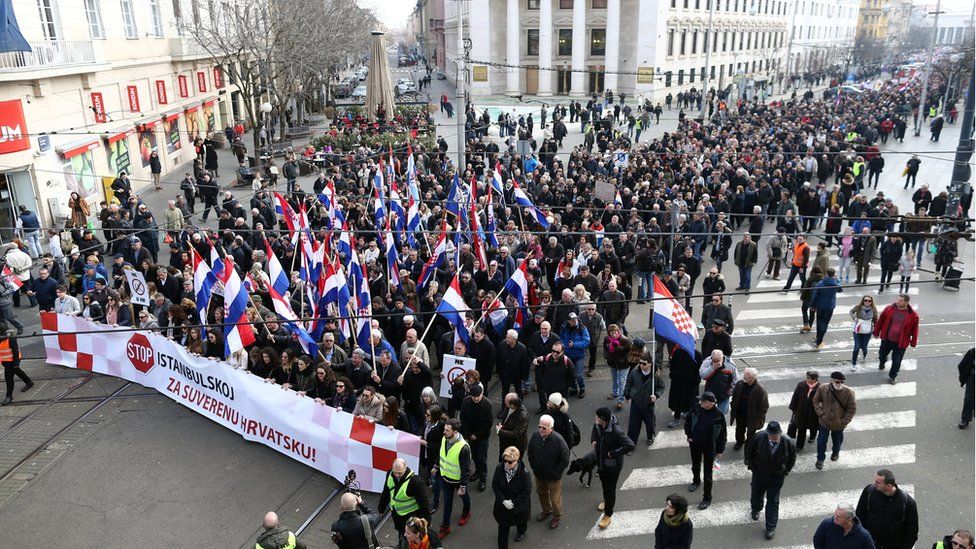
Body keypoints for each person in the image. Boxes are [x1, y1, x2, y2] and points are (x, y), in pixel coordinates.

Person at [744, 421, 796, 540]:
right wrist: (752, 467)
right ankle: (756, 508)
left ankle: (770, 527)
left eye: (775, 436)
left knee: (773, 501)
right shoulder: (759, 438)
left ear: (779, 434)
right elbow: (749, 452)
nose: (773, 438)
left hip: (776, 476)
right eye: (771, 435)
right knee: (757, 493)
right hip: (760, 474)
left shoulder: (787, 442)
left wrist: (785, 471)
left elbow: (792, 458)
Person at [592, 406, 635, 529]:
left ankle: (608, 515)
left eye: (597, 416)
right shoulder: (598, 424)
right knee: (605, 486)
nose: (595, 418)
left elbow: (630, 445)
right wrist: (594, 439)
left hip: (612, 467)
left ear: (603, 419)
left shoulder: (616, 431)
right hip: (601, 463)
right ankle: (606, 501)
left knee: (610, 489)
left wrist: (613, 453)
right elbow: (594, 430)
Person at [855, 469, 919, 549]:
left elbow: (912, 532)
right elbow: (860, 514)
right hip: (871, 543)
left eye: (878, 483)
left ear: (889, 486)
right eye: (875, 481)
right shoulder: (869, 491)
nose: (874, 484)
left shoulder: (907, 502)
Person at [526, 414, 569, 530]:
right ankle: (546, 510)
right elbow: (529, 452)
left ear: (551, 428)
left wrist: (555, 474)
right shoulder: (535, 436)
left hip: (553, 478)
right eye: (539, 426)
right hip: (539, 474)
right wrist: (533, 466)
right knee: (541, 494)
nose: (541, 430)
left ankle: (556, 516)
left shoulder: (559, 441)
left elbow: (565, 460)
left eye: (544, 428)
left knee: (555, 499)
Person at [684, 391, 726, 510]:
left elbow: (723, 434)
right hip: (695, 444)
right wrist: (689, 435)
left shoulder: (719, 416)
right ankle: (696, 481)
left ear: (710, 403)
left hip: (709, 447)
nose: (700, 402)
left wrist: (720, 450)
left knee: (708, 474)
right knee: (695, 465)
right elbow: (688, 422)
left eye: (703, 401)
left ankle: (707, 498)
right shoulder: (696, 408)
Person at [432, 418, 472, 538]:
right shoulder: (445, 438)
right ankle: (445, 526)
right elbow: (441, 454)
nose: (444, 432)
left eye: (447, 430)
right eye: (445, 429)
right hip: (445, 478)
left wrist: (463, 486)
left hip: (458, 481)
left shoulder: (463, 447)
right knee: (447, 503)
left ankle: (466, 513)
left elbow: (465, 470)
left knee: (464, 497)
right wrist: (436, 465)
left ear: (455, 432)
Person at [378, 458, 432, 546]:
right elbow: (386, 492)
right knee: (402, 536)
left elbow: (424, 504)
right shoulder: (390, 474)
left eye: (399, 473)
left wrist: (426, 524)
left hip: (411, 518)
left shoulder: (415, 482)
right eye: (395, 472)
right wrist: (381, 508)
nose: (396, 475)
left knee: (410, 540)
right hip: (397, 517)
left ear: (405, 468)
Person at [813, 371, 857, 470]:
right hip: (824, 422)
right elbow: (816, 401)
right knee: (821, 442)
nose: (840, 384)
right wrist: (821, 415)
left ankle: (835, 453)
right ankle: (820, 459)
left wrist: (844, 421)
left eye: (842, 382)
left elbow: (852, 409)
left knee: (837, 441)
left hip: (839, 424)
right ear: (831, 381)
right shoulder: (823, 388)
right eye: (837, 382)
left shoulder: (849, 393)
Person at [873, 294, 919, 384]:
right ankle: (882, 361)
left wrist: (913, 342)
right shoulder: (889, 309)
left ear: (906, 302)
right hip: (887, 339)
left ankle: (892, 376)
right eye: (897, 300)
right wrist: (876, 332)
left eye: (900, 300)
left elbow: (915, 329)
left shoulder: (913, 315)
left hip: (901, 343)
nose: (897, 301)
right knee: (882, 355)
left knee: (897, 361)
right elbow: (881, 320)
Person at [623, 351, 666, 448]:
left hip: (648, 404)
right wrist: (627, 395)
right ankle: (631, 443)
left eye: (644, 363)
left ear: (650, 364)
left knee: (650, 424)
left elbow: (662, 387)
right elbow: (629, 383)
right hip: (636, 403)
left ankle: (650, 437)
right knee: (633, 425)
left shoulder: (656, 375)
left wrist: (656, 395)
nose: (641, 365)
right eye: (640, 363)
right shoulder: (634, 372)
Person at [492, 446, 532, 549]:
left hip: (518, 506)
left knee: (521, 521)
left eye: (510, 462)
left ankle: (521, 532)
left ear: (516, 461)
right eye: (504, 461)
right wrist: (503, 500)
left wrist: (513, 502)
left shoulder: (524, 474)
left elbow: (526, 492)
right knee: (503, 529)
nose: (506, 464)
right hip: (503, 506)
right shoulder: (499, 468)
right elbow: (495, 485)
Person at [459, 383, 493, 492]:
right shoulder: (466, 402)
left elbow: (488, 423)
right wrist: (469, 434)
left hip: (482, 436)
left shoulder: (488, 405)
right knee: (474, 455)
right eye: (474, 396)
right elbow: (463, 418)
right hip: (470, 434)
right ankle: (478, 472)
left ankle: (483, 479)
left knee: (482, 457)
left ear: (482, 394)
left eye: (478, 396)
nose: (476, 398)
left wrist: (476, 435)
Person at [730, 367, 770, 451]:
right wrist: (733, 405)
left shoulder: (760, 390)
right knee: (739, 429)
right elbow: (735, 397)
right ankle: (740, 442)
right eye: (744, 375)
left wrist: (757, 416)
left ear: (753, 378)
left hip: (752, 417)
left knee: (751, 433)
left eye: (746, 376)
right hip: (740, 414)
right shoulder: (739, 384)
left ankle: (749, 445)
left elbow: (764, 406)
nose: (743, 378)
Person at [0, 321, 32, 405]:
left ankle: (9, 396)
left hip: (13, 360)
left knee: (8, 377)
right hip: (5, 361)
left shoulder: (11, 339)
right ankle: (29, 382)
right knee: (17, 371)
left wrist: (16, 364)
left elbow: (15, 352)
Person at [559, 312, 591, 398]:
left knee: (578, 374)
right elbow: (561, 338)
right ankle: (573, 388)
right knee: (570, 373)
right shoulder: (564, 327)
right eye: (573, 320)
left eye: (575, 319)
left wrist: (574, 345)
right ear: (568, 321)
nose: (575, 321)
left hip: (579, 355)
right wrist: (565, 347)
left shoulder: (582, 328)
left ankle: (582, 388)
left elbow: (586, 341)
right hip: (568, 354)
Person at [810, 268, 843, 348]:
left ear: (826, 274)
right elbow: (840, 289)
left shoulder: (820, 283)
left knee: (819, 321)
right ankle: (819, 340)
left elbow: (815, 296)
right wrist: (837, 280)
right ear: (834, 274)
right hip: (830, 306)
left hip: (820, 306)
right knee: (825, 323)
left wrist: (812, 305)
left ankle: (818, 338)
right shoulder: (835, 284)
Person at [788, 371, 821, 450]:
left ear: (815, 379)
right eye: (807, 377)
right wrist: (793, 408)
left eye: (809, 378)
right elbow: (795, 396)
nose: (807, 379)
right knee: (801, 429)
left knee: (813, 427)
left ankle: (812, 436)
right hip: (801, 411)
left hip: (813, 413)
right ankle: (799, 445)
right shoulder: (801, 385)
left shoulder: (820, 388)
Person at [699, 350, 739, 415]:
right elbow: (703, 375)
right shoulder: (707, 362)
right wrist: (712, 367)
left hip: (724, 395)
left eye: (718, 360)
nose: (715, 362)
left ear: (722, 358)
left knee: (721, 415)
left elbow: (736, 380)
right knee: (708, 413)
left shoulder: (730, 364)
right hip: (710, 393)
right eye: (714, 360)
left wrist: (730, 392)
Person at [603, 324, 632, 410]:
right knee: (614, 378)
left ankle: (621, 400)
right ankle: (615, 393)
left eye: (615, 332)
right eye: (612, 333)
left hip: (624, 363)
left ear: (618, 332)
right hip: (613, 362)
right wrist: (606, 356)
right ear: (609, 334)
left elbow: (631, 351)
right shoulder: (607, 339)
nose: (614, 335)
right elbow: (605, 348)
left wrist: (623, 351)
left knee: (622, 381)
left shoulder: (625, 340)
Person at [495, 393, 528, 462]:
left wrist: (500, 431)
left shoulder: (522, 416)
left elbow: (516, 434)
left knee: (511, 464)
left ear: (512, 404)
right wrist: (502, 425)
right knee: (502, 461)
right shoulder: (509, 406)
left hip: (515, 446)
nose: (504, 403)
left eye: (506, 403)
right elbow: (505, 419)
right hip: (505, 442)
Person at [959, 348, 975, 429]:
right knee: (969, 399)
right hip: (972, 378)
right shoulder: (972, 352)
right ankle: (965, 419)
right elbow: (961, 365)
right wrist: (963, 378)